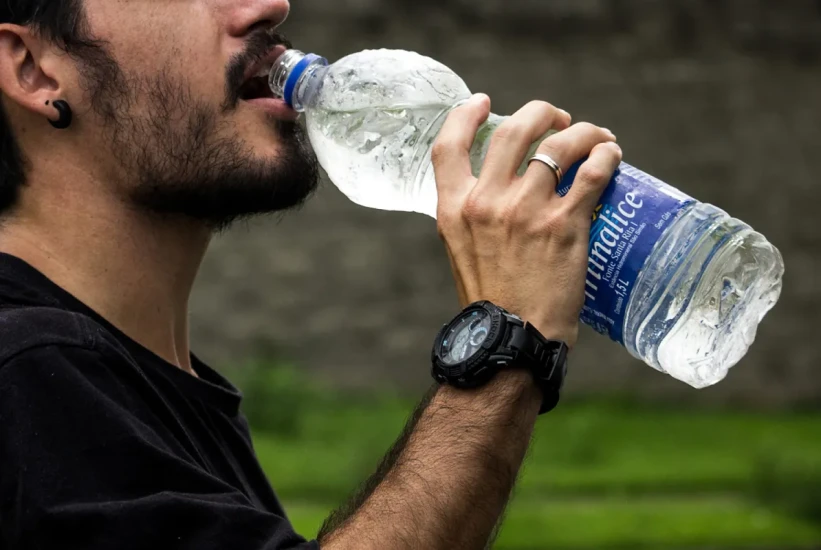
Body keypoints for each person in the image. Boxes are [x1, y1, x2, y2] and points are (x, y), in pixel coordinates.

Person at [0, 0, 622, 548]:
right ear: (33, 67)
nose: (270, 7)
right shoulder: (24, 369)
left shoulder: (134, 380)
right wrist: (507, 338)